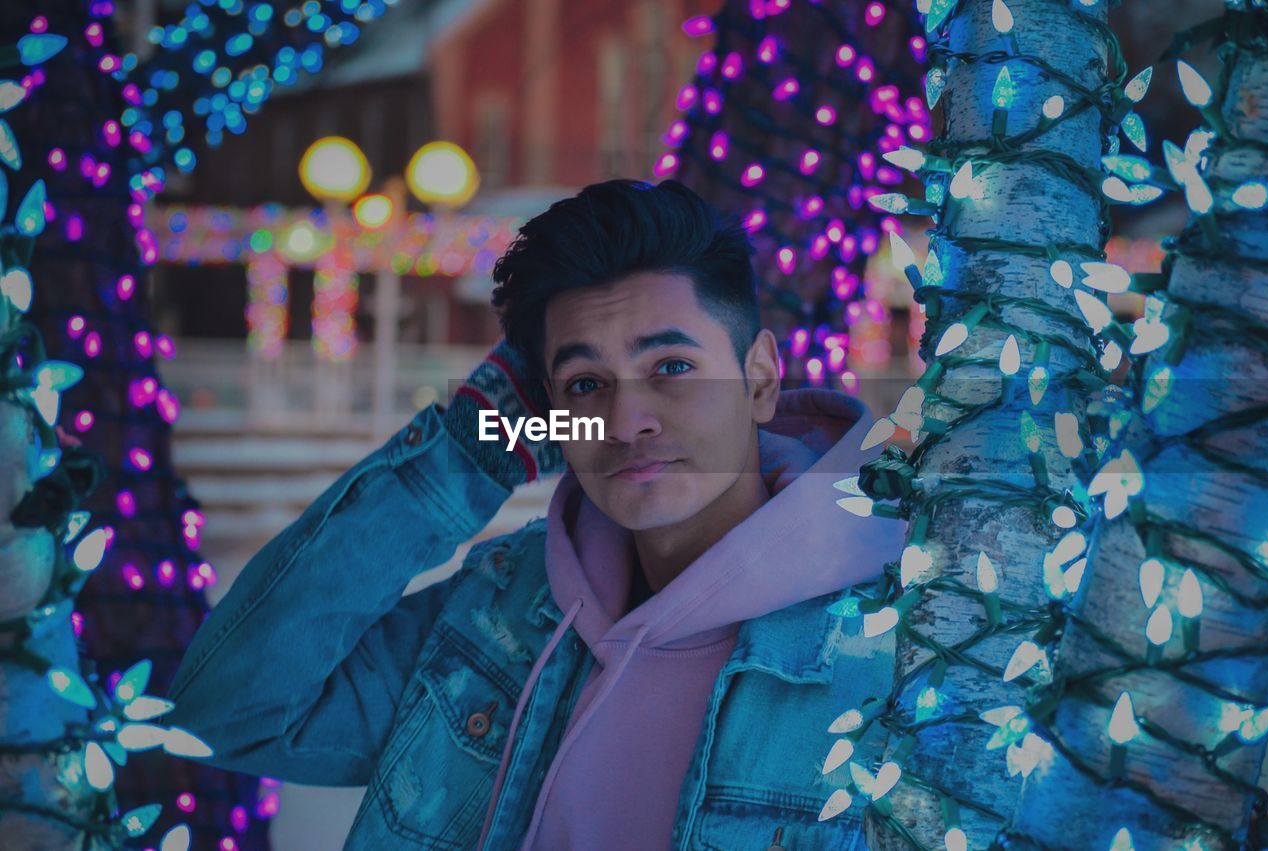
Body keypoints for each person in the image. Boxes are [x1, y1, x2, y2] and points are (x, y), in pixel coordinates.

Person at [164, 179, 907, 850]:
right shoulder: (506, 603)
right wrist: (468, 451)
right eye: (586, 383)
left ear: (760, 379)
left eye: (671, 367)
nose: (626, 420)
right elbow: (229, 709)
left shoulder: (892, 649)